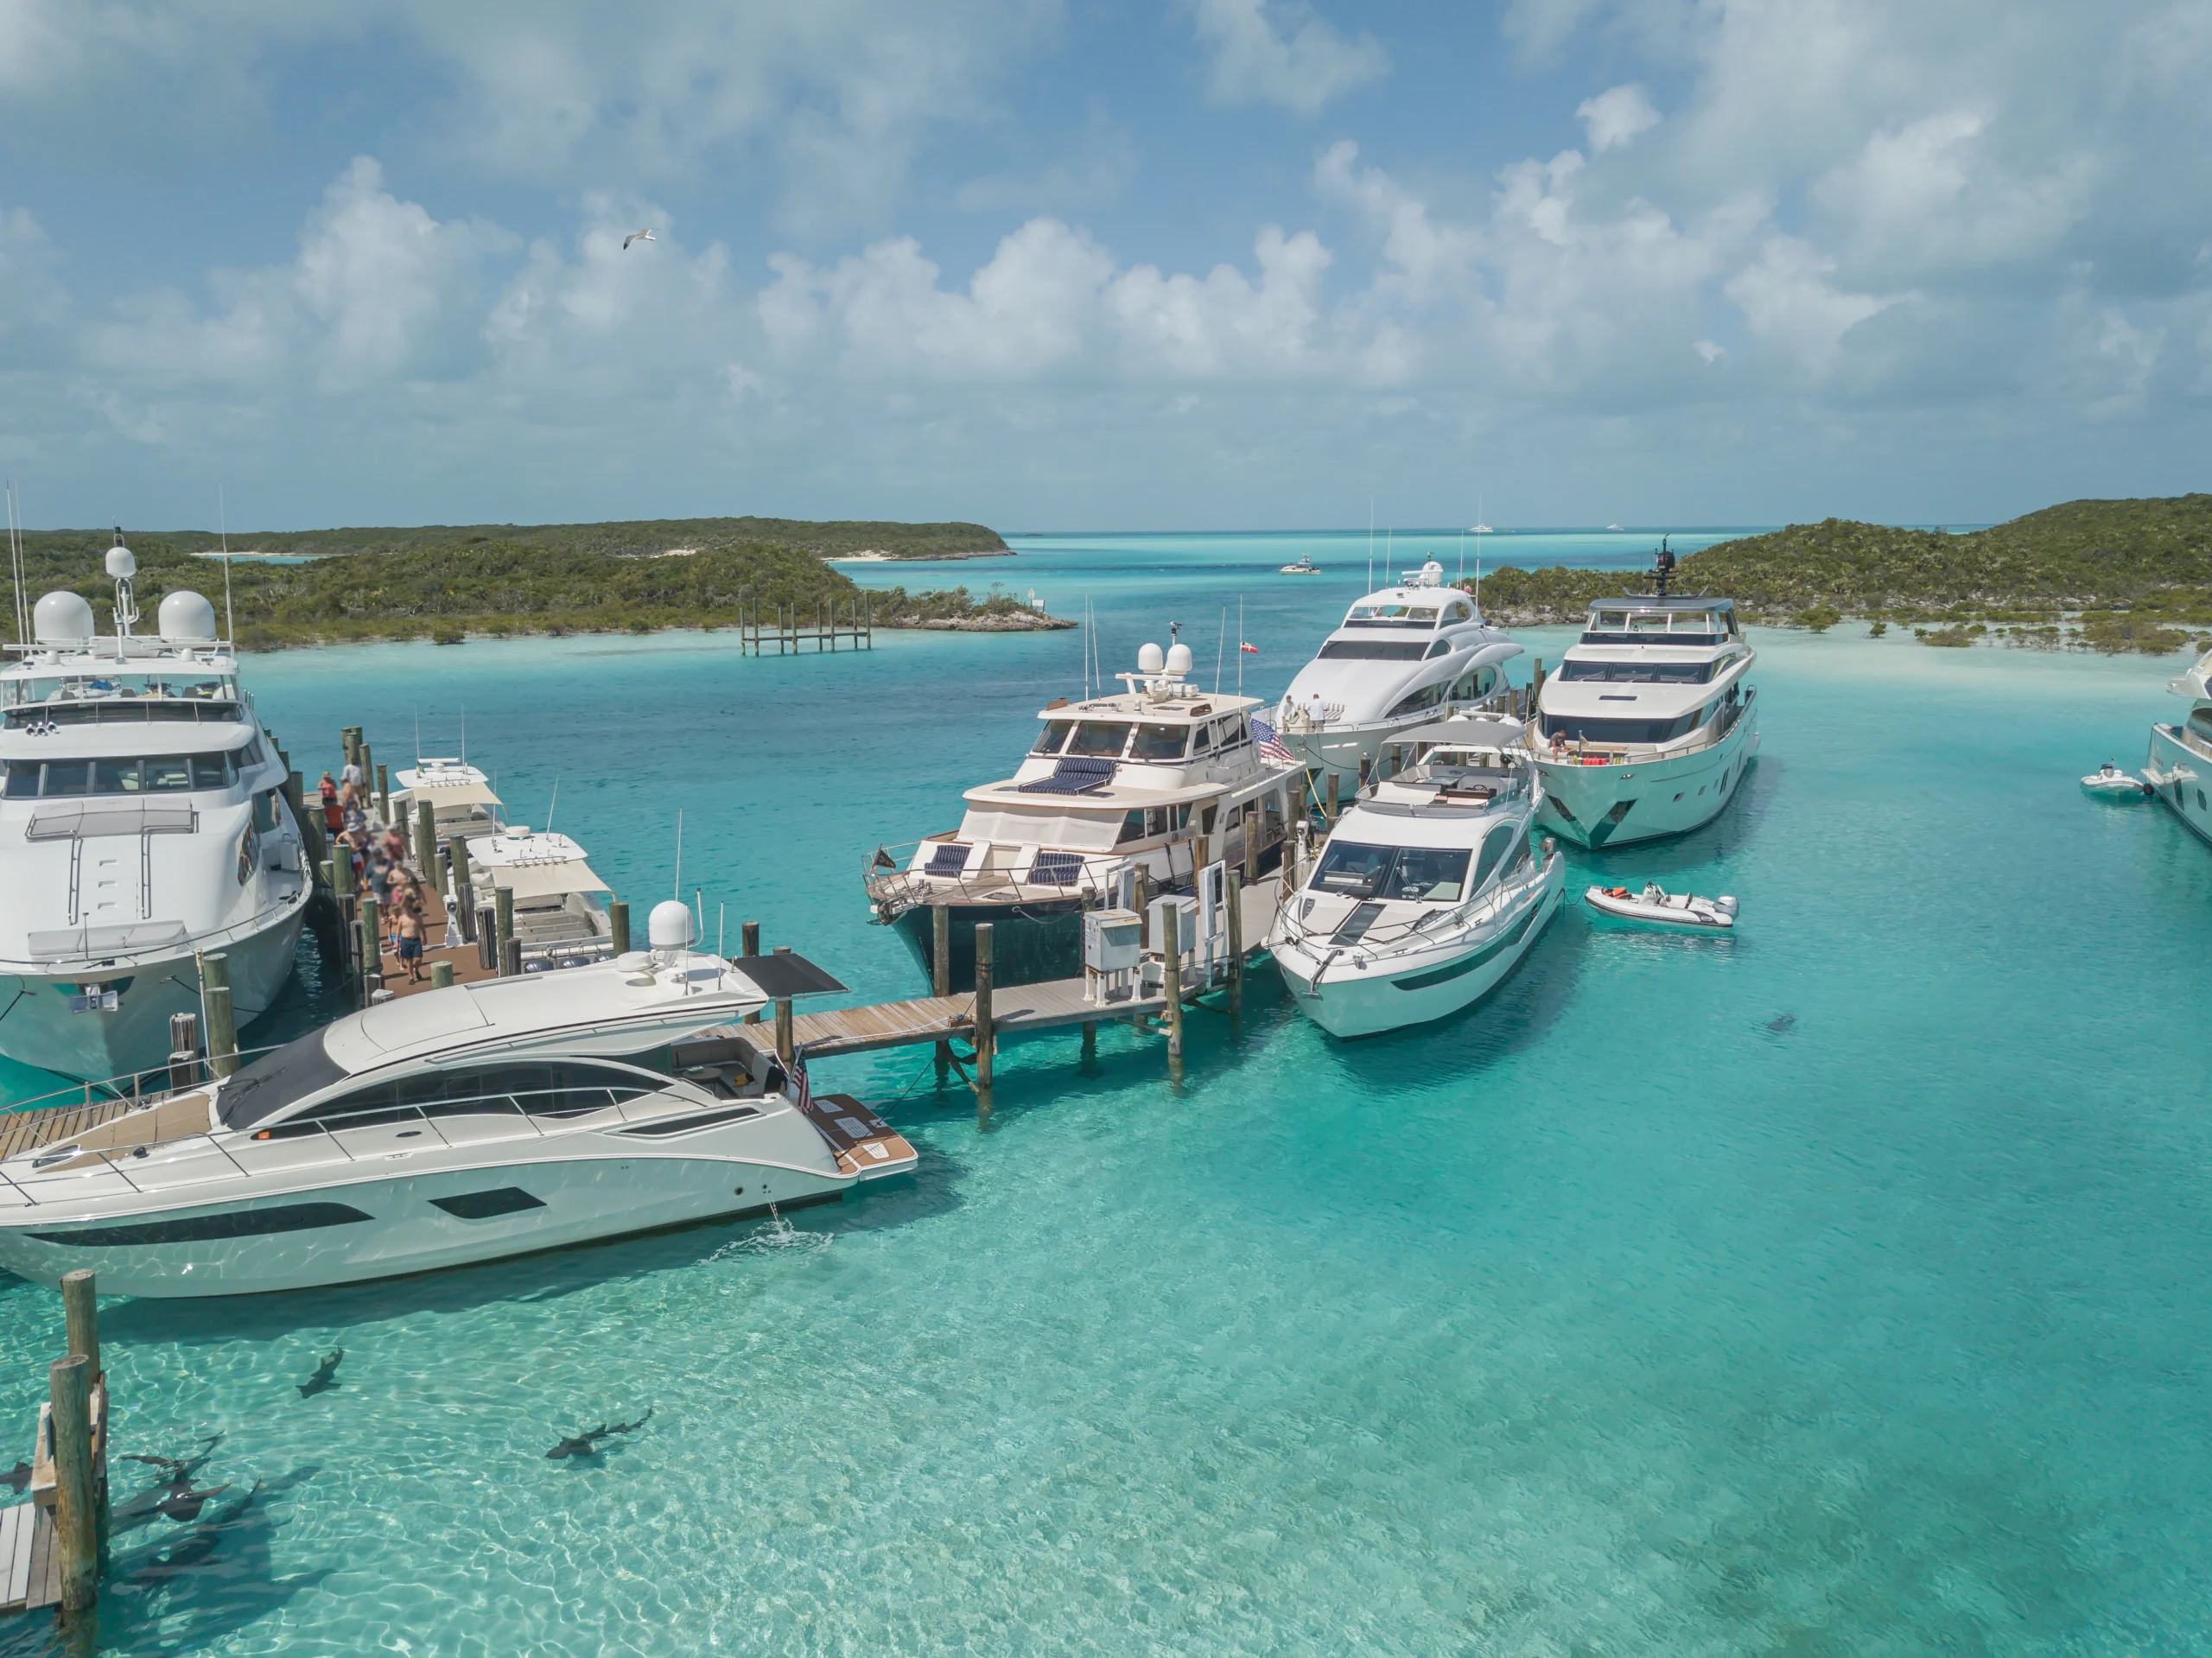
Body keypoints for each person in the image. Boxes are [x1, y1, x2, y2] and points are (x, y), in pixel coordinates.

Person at [394, 901, 426, 983]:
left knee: (418, 959)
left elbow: (422, 927)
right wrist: (396, 941)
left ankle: (416, 970)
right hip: (405, 941)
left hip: (416, 940)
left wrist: (425, 937)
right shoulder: (402, 918)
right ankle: (411, 978)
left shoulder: (418, 917)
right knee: (409, 960)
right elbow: (398, 930)